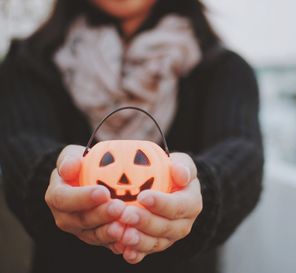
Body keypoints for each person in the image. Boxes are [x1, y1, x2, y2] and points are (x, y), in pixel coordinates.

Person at [0, 0, 264, 273]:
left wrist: (203, 189)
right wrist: (54, 177)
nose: (124, 175)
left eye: (138, 160)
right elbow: (21, 146)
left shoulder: (222, 69)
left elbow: (241, 151)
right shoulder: (29, 65)